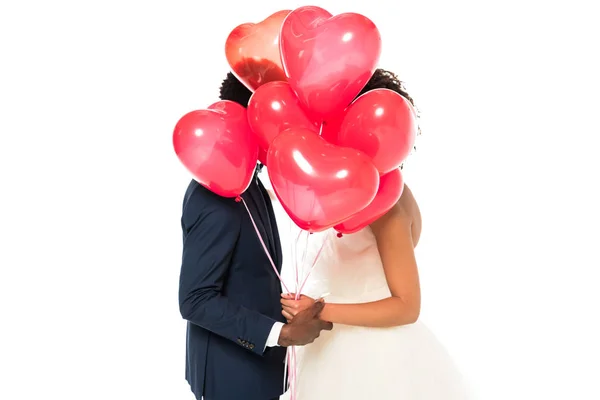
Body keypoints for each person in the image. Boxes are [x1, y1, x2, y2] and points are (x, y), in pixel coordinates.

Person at [279, 70, 471, 399]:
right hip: (332, 347)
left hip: (376, 356)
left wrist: (319, 311)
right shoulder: (344, 190)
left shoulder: (389, 204)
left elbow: (407, 306)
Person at [178, 73, 333, 400]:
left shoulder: (249, 178)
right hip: (231, 374)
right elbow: (195, 300)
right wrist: (283, 334)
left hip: (258, 369)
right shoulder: (215, 198)